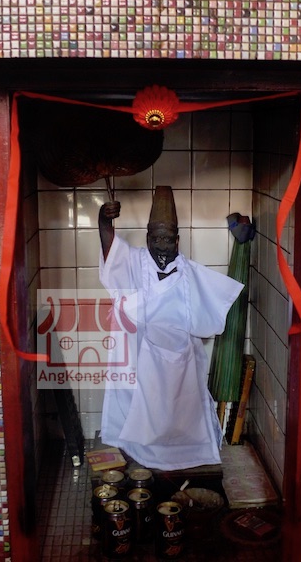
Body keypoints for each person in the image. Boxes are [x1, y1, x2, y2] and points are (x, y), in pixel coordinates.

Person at [98, 186, 244, 471]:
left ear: (178, 241)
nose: (162, 246)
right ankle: (139, 451)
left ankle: (185, 454)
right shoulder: (135, 262)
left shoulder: (190, 274)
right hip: (139, 363)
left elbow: (209, 322)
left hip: (179, 368)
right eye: (156, 239)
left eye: (167, 239)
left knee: (184, 413)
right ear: (147, 239)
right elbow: (110, 250)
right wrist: (104, 221)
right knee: (138, 420)